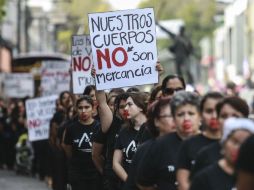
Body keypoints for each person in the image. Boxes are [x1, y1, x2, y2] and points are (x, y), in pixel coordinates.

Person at [137, 91, 201, 190]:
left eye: (191, 113)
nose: (186, 118)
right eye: (180, 114)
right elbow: (143, 183)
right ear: (174, 118)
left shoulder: (210, 143)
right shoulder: (159, 145)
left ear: (200, 117)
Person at [123, 97, 175, 190]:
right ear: (156, 121)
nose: (176, 120)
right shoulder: (145, 150)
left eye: (178, 115)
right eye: (170, 116)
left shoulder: (189, 145)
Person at [176, 92, 224, 190]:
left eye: (219, 111)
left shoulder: (237, 144)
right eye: (209, 111)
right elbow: (183, 183)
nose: (214, 116)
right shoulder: (188, 144)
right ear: (201, 114)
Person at [192, 96, 249, 177]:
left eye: (235, 116)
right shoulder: (205, 155)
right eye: (224, 116)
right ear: (218, 120)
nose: (229, 121)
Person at [190, 118, 254, 190]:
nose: (238, 148)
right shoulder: (204, 178)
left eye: (244, 144)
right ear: (224, 143)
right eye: (235, 142)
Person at [63, 96, 100, 190]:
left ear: (93, 108)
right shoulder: (71, 128)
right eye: (80, 108)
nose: (83, 111)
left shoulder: (99, 127)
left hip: (95, 174)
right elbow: (68, 151)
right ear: (76, 109)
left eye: (87, 107)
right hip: (77, 174)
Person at [113, 92, 148, 187]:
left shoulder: (153, 130)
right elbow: (116, 163)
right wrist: (130, 182)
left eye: (129, 104)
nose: (125, 108)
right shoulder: (124, 131)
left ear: (141, 107)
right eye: (124, 106)